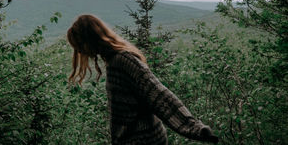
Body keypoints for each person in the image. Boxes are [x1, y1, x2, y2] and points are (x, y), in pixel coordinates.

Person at [67, 14, 219, 145]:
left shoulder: (123, 61)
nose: (79, 51)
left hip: (144, 140)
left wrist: (195, 128)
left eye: (79, 45)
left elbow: (159, 95)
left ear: (90, 39)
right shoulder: (114, 62)